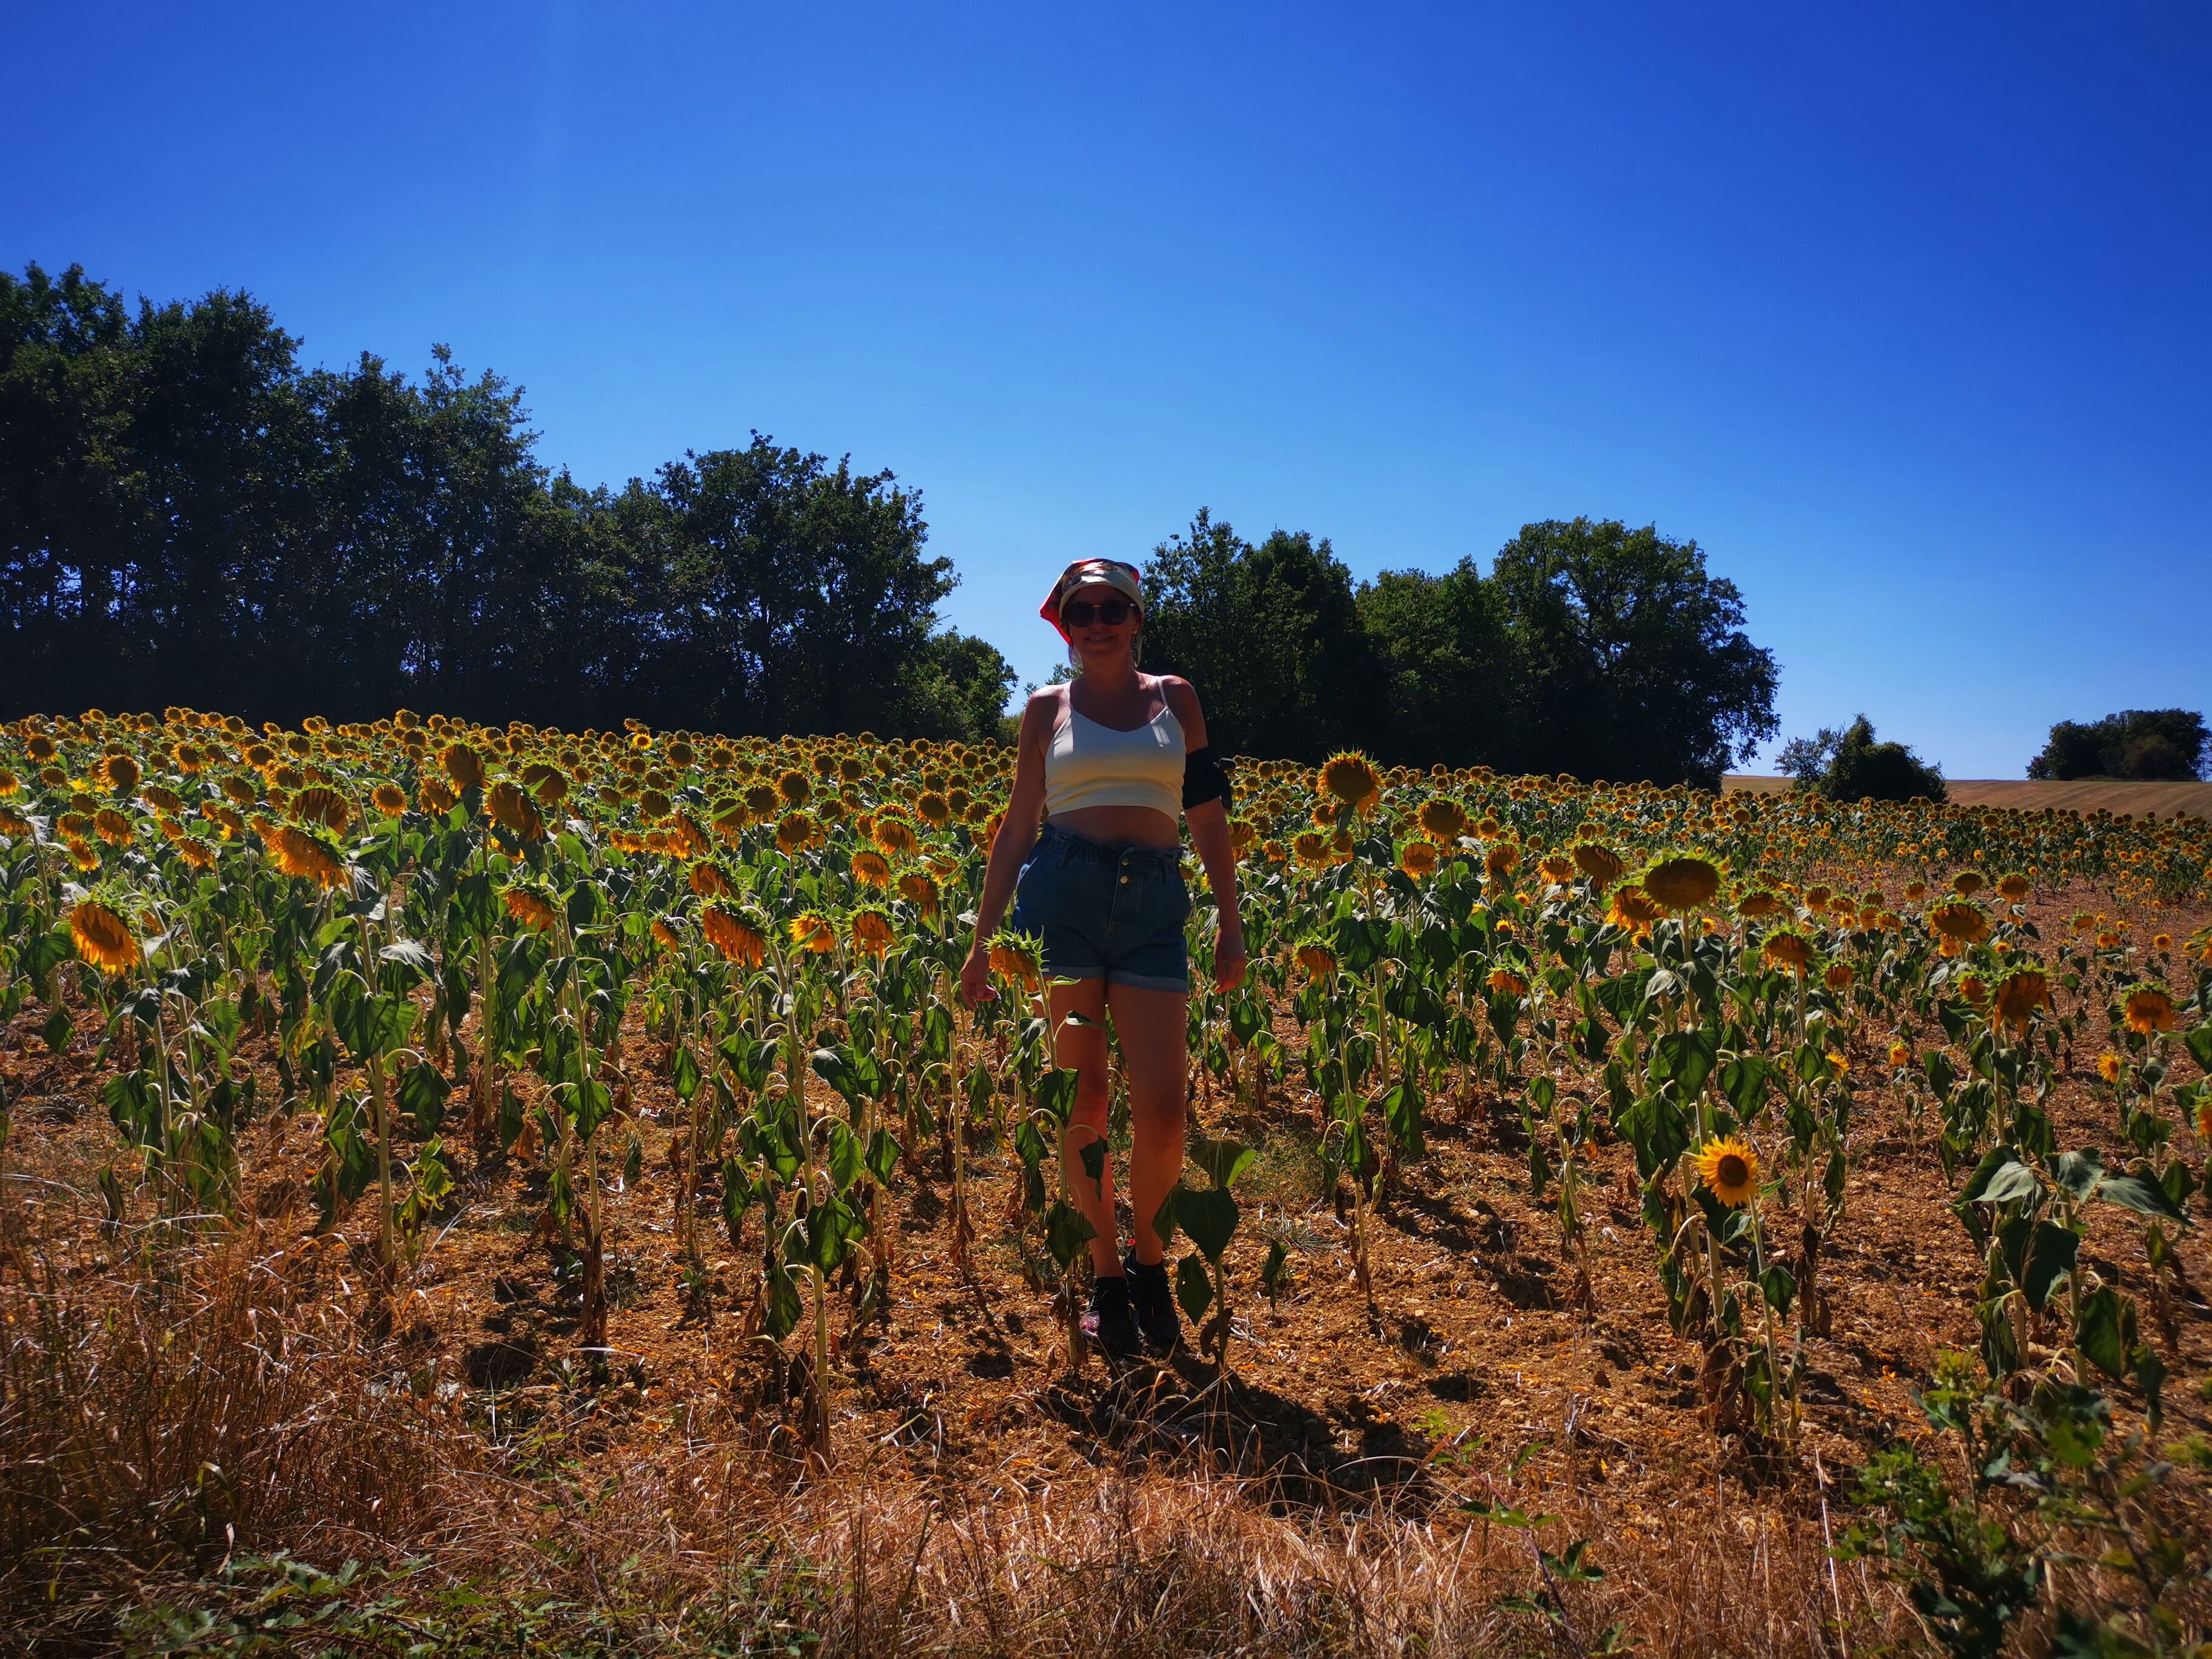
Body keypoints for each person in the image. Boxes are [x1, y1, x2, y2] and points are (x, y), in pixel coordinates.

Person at [959, 558, 1245, 1358]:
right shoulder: (1046, 708)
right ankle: (1107, 1277)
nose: (1097, 621)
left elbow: (1209, 816)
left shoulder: (1175, 698)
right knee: (1083, 1101)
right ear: (1064, 623)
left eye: (1112, 606)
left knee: (1162, 1114)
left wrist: (1231, 920)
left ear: (1136, 616)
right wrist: (982, 943)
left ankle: (1151, 1262)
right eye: (1079, 610)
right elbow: (1017, 827)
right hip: (1064, 901)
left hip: (1154, 905)